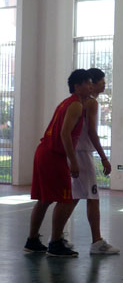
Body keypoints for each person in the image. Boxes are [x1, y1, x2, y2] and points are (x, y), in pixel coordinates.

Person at [24, 69, 92, 257]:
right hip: (53, 155)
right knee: (65, 199)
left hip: (44, 151)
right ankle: (55, 243)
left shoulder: (67, 102)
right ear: (77, 86)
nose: (90, 86)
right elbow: (64, 134)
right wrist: (73, 161)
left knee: (44, 199)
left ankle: (32, 240)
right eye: (87, 83)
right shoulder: (76, 105)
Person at [70, 68, 119, 254]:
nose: (104, 85)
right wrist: (104, 158)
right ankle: (97, 242)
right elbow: (91, 132)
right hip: (82, 152)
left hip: (76, 151)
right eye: (101, 82)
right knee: (93, 197)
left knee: (73, 197)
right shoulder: (91, 103)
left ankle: (56, 237)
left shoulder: (81, 102)